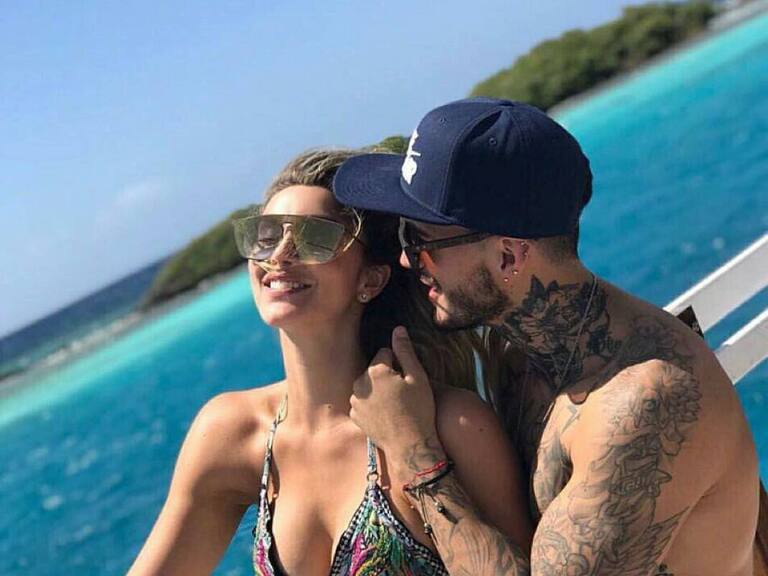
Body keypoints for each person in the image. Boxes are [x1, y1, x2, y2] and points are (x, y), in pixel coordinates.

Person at [332, 98, 760, 576]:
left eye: (419, 242)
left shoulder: (639, 405)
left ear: (509, 257)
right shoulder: (522, 348)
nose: (406, 260)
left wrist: (415, 453)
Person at [127, 148, 533, 576]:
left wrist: (421, 459)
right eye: (267, 235)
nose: (279, 255)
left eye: (314, 238)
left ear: (371, 278)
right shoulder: (232, 433)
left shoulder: (451, 424)